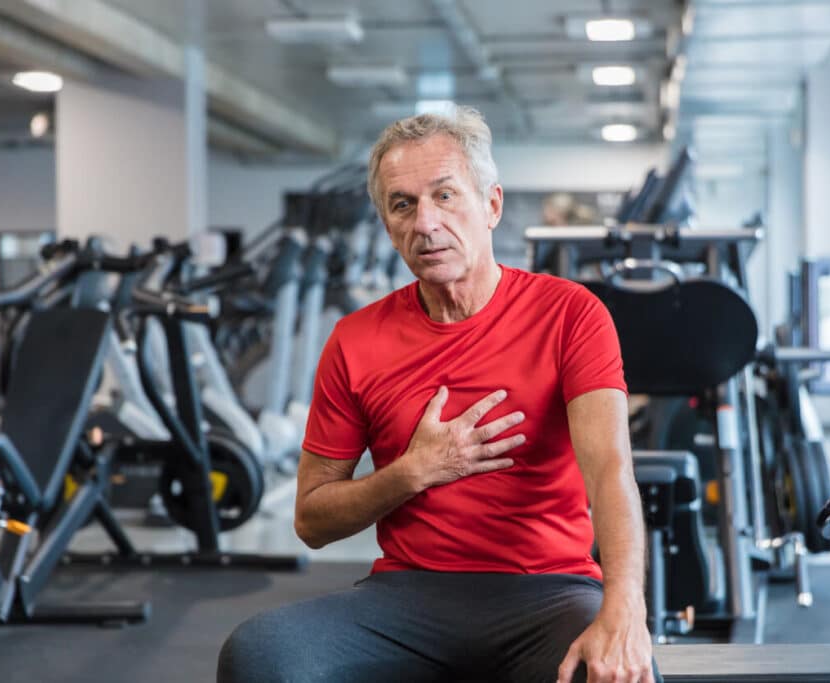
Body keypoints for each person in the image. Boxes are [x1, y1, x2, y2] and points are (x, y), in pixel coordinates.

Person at [217, 106, 659, 683]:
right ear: (388, 224)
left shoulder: (571, 314)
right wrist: (413, 471)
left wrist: (626, 609)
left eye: (445, 196)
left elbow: (610, 472)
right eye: (402, 204)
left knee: (610, 672)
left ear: (492, 205)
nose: (425, 222)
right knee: (258, 655)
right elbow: (311, 518)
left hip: (548, 592)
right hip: (406, 595)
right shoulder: (355, 340)